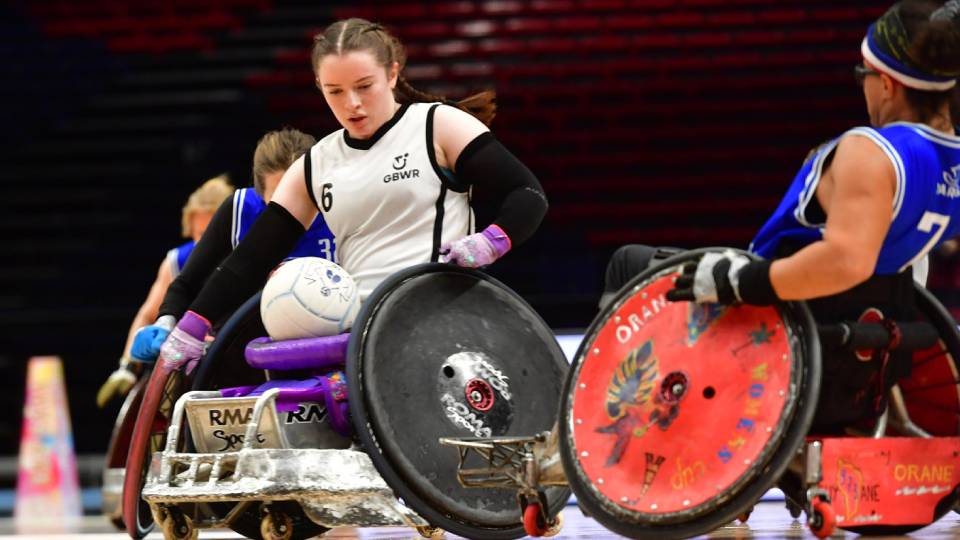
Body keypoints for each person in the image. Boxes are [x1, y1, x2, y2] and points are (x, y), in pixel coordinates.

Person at [611, 0, 960, 432]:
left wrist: (742, 282)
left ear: (886, 84)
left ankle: (614, 423)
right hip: (866, 351)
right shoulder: (953, 164)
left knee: (628, 261)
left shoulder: (874, 152)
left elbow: (847, 262)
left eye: (862, 75)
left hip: (778, 332)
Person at [149, 17, 549, 371]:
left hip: (441, 314)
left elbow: (528, 194)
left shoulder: (437, 125)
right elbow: (250, 259)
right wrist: (189, 325)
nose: (352, 104)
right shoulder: (316, 162)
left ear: (392, 74)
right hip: (360, 330)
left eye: (364, 86)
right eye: (335, 92)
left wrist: (491, 241)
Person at [121, 128, 334, 363]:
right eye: (280, 198)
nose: (294, 204)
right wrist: (165, 323)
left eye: (303, 193)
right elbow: (185, 284)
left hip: (326, 344)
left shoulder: (340, 208)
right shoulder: (240, 208)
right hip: (240, 351)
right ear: (259, 191)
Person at [96, 176, 234, 407]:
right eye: (199, 234)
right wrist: (128, 366)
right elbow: (147, 315)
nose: (204, 242)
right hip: (190, 368)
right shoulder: (176, 261)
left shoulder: (250, 257)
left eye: (210, 233)